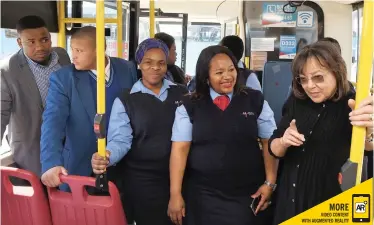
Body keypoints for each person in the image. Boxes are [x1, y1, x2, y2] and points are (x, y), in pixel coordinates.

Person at [168, 45, 278, 225]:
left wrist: (270, 183)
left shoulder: (254, 100)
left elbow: (270, 143)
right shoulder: (189, 105)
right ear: (206, 77)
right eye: (219, 72)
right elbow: (179, 150)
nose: (227, 77)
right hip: (203, 195)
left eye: (231, 70)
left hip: (248, 193)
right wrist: (175, 194)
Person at [268, 41, 373, 224]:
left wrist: (369, 132)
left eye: (318, 78)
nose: (309, 86)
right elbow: (274, 148)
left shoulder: (352, 103)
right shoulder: (297, 99)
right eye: (303, 79)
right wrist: (283, 142)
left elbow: (367, 147)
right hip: (289, 202)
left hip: (327, 208)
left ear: (336, 72)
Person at [91, 38, 188, 225]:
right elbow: (121, 139)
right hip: (143, 181)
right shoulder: (127, 99)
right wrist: (107, 156)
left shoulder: (181, 93)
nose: (155, 68)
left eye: (161, 63)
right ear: (139, 64)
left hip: (183, 177)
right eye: (148, 63)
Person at [40, 26, 137, 191]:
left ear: (99, 50)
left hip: (123, 166)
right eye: (72, 49)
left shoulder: (126, 69)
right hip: (79, 167)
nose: (73, 56)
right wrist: (51, 163)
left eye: (79, 50)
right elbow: (52, 123)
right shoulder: (64, 79)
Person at [0, 15, 70, 178]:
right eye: (31, 42)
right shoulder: (7, 70)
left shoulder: (63, 56)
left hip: (68, 142)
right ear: (19, 42)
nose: (40, 47)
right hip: (32, 148)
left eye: (44, 39)